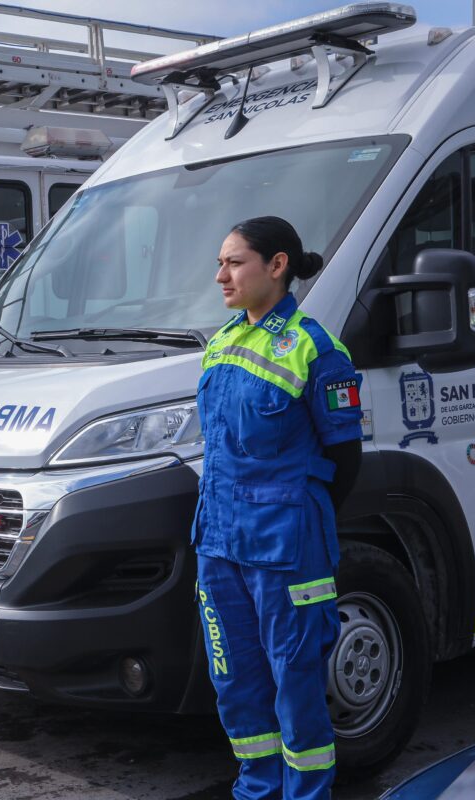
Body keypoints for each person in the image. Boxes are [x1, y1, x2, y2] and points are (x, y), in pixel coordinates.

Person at [194, 217, 363, 799]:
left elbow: (345, 457)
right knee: (236, 682)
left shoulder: (317, 348)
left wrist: (299, 520)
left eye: (234, 262)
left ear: (277, 265)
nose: (221, 275)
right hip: (219, 544)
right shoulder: (220, 342)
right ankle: (257, 791)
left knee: (295, 684)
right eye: (220, 262)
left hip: (286, 550)